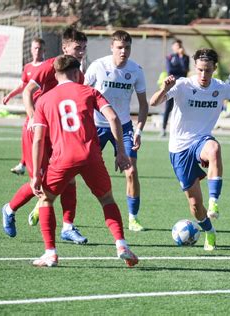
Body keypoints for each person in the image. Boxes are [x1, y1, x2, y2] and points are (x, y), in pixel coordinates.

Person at [150, 48, 230, 251]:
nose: (203, 75)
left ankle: (214, 202)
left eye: (208, 70)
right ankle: (209, 230)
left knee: (214, 148)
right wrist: (164, 88)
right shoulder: (182, 85)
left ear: (215, 69)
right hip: (179, 149)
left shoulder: (221, 87)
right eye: (200, 70)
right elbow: (154, 102)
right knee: (196, 206)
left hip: (201, 141)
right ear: (194, 68)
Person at [30, 55, 138, 267]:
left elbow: (38, 140)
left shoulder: (43, 100)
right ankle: (121, 245)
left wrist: (35, 173)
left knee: (46, 200)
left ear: (56, 74)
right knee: (107, 199)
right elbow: (114, 118)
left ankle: (50, 252)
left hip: (62, 158)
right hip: (90, 156)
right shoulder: (89, 91)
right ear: (77, 72)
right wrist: (121, 153)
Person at [1, 27, 88, 244]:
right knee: (38, 184)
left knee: (69, 178)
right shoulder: (51, 66)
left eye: (84, 49)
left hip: (58, 133)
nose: (80, 52)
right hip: (37, 132)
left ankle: (68, 226)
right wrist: (32, 118)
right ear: (65, 47)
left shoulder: (79, 74)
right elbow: (28, 91)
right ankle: (9, 209)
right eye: (77, 48)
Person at [84, 30, 149, 232]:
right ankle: (43, 204)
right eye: (120, 47)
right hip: (96, 125)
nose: (124, 51)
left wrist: (139, 130)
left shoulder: (136, 71)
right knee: (71, 168)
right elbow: (81, 95)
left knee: (130, 171)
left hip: (125, 126)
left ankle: (133, 218)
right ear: (111, 47)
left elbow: (143, 105)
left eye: (127, 47)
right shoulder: (98, 66)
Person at [2, 37, 46, 176]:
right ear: (31, 49)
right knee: (27, 136)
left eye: (39, 48)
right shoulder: (27, 67)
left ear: (44, 50)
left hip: (42, 108)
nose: (37, 51)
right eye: (35, 48)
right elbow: (23, 86)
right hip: (30, 108)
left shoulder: (46, 67)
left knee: (37, 137)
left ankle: (36, 167)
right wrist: (10, 95)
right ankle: (24, 164)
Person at [160, 39, 189, 137]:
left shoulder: (185, 57)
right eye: (176, 46)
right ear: (173, 47)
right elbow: (170, 70)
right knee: (168, 107)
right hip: (172, 85)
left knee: (183, 107)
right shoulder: (169, 57)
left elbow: (185, 70)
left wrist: (181, 57)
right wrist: (178, 70)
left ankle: (182, 129)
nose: (178, 48)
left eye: (179, 46)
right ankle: (163, 128)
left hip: (182, 85)